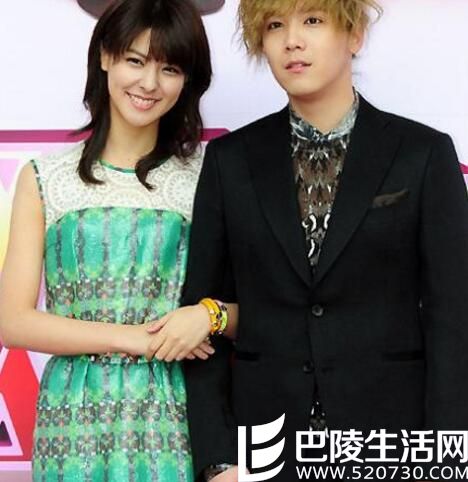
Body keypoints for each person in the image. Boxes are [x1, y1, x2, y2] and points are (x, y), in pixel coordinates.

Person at [181, 0, 468, 481]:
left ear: (354, 35)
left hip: (391, 445)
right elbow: (202, 312)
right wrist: (218, 460)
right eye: (275, 26)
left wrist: (445, 461)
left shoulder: (422, 154)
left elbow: (454, 321)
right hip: (264, 447)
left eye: (312, 20)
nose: (292, 41)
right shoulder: (230, 161)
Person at [0, 0, 217, 480]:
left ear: (187, 81)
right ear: (105, 56)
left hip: (173, 411)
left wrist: (208, 315)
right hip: (72, 415)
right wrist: (132, 338)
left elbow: (261, 305)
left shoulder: (207, 177)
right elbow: (12, 321)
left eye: (170, 69)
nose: (149, 83)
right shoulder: (46, 177)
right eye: (135, 61)